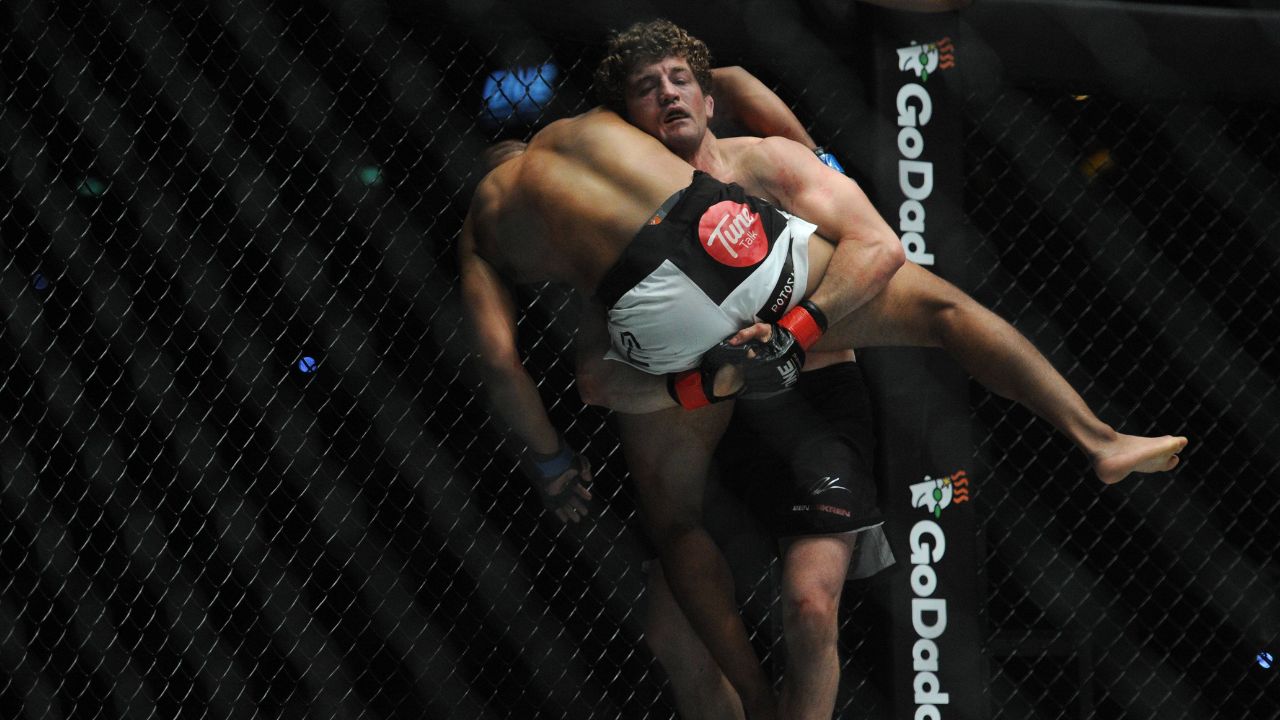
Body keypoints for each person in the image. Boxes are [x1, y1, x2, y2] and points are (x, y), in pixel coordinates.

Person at [458, 25, 1187, 717]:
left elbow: (508, 364)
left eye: (682, 82)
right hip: (726, 290)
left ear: (705, 98)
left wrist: (555, 464)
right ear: (626, 114)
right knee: (942, 312)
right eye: (651, 88)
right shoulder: (602, 136)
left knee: (712, 540)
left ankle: (760, 697)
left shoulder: (753, 161)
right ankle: (1098, 439)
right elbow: (596, 374)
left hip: (737, 356)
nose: (669, 95)